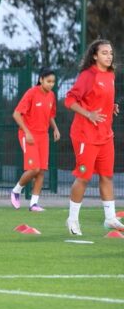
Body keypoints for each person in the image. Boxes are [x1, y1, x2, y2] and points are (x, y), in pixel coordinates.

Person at [63, 40, 123, 235]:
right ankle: (72, 220)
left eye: (110, 53)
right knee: (84, 177)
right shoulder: (88, 76)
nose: (109, 56)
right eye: (104, 53)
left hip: (105, 135)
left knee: (107, 176)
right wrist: (88, 114)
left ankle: (110, 218)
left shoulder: (110, 74)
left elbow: (99, 98)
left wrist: (111, 106)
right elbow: (69, 100)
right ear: (95, 56)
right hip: (85, 136)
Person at [9, 68, 61, 211]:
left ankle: (34, 204)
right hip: (28, 135)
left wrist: (55, 129)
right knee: (34, 168)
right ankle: (16, 191)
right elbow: (16, 114)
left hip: (43, 136)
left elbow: (50, 115)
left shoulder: (51, 96)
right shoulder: (31, 93)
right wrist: (27, 132)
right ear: (41, 80)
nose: (51, 84)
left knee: (41, 171)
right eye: (48, 81)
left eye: (53, 82)